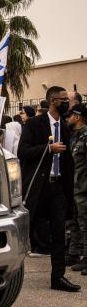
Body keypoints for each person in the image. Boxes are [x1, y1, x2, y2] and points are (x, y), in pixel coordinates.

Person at [18, 86, 80, 292]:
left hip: (58, 187)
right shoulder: (34, 124)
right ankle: (10, 273)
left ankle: (58, 277)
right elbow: (23, 151)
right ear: (53, 100)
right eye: (64, 100)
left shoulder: (66, 126)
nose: (67, 105)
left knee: (58, 234)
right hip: (38, 187)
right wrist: (48, 149)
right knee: (26, 230)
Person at [67, 104, 87, 273]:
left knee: (85, 222)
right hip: (73, 186)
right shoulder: (73, 135)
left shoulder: (85, 135)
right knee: (74, 221)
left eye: (70, 116)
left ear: (78, 117)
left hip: (83, 187)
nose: (68, 118)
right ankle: (74, 253)